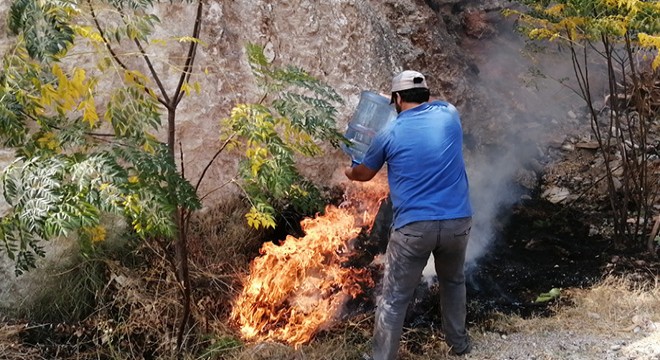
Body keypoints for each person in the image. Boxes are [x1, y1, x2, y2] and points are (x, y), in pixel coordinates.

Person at [345, 70, 473, 359]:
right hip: (457, 223)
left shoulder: (388, 133)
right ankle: (459, 346)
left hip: (414, 228)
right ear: (427, 96)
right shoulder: (449, 115)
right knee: (453, 283)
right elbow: (436, 103)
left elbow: (363, 174)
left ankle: (383, 357)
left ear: (397, 99)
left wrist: (349, 170)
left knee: (394, 298)